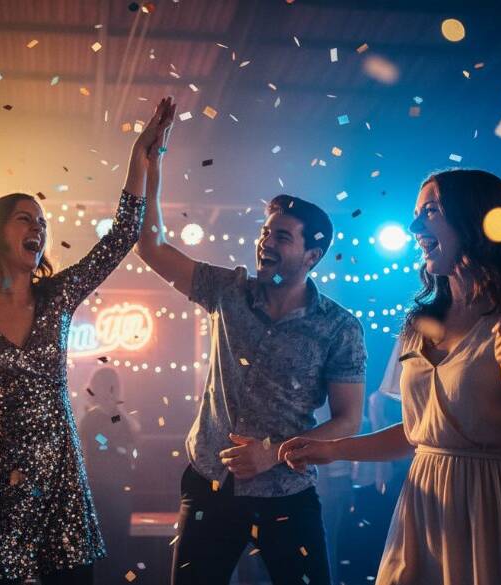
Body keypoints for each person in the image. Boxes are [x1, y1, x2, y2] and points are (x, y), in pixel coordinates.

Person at [0, 98, 175, 585]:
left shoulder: (58, 297)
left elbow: (123, 234)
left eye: (42, 222)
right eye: (26, 218)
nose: (38, 228)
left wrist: (140, 158)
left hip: (61, 476)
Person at [281, 169, 501, 585]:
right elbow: (418, 433)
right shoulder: (420, 322)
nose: (413, 226)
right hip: (423, 513)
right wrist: (334, 449)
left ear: (474, 219)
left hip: (498, 512)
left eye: (431, 211)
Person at [134, 100, 366, 585]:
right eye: (265, 233)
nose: (266, 243)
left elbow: (347, 421)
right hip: (209, 486)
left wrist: (273, 452)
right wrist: (149, 165)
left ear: (312, 254)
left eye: (282, 236)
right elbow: (151, 246)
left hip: (286, 491)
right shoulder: (228, 290)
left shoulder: (338, 326)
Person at [77, 367, 138, 585]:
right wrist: (115, 446)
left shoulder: (110, 417)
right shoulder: (96, 418)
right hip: (105, 488)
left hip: (110, 488)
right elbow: (101, 442)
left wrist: (114, 445)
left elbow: (123, 443)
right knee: (112, 547)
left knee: (110, 547)